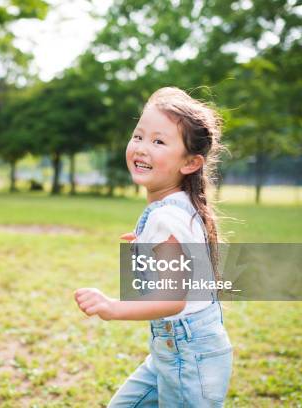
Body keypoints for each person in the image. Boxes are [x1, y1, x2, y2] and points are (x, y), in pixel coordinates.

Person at [74, 87, 232, 407]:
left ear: (190, 163)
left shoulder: (169, 216)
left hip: (189, 359)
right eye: (139, 136)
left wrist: (112, 307)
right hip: (174, 354)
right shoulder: (180, 205)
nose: (142, 148)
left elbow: (172, 300)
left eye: (159, 141)